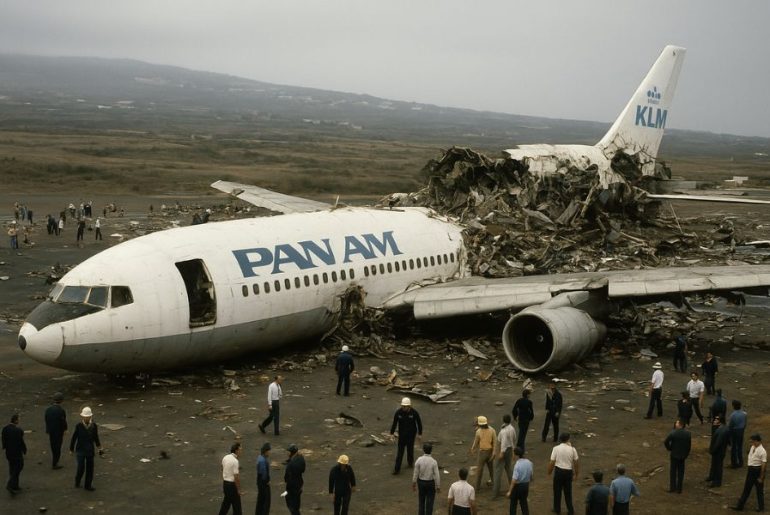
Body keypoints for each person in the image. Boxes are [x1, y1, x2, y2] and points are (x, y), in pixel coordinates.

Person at [730, 433, 766, 512]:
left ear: (757, 441)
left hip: (757, 470)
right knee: (747, 489)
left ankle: (761, 507)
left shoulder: (762, 451)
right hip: (751, 470)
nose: (751, 443)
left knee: (759, 490)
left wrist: (761, 477)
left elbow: (763, 465)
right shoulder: (753, 447)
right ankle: (740, 505)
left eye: (752, 441)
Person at [69, 406, 102, 491]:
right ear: (82, 417)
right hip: (80, 450)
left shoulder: (94, 426)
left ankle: (88, 485)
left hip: (90, 451)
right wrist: (71, 448)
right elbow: (74, 437)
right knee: (81, 467)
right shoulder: (79, 426)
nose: (86, 418)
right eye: (85, 417)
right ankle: (77, 481)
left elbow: (96, 437)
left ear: (91, 416)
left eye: (88, 417)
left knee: (90, 469)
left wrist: (100, 448)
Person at [548, 432, 579, 515]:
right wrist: (576, 474)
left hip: (559, 471)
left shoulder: (556, 448)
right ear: (568, 439)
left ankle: (557, 509)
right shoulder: (573, 449)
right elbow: (576, 463)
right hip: (568, 472)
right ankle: (570, 510)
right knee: (568, 492)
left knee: (557, 491)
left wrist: (549, 472)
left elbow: (552, 462)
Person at [390, 397, 423, 474]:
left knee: (410, 449)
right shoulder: (398, 413)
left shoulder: (414, 413)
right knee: (400, 453)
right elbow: (394, 423)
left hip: (411, 435)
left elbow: (419, 423)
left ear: (409, 406)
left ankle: (410, 462)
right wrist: (391, 433)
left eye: (405, 406)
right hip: (402, 435)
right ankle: (396, 469)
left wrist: (420, 434)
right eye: (403, 406)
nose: (404, 408)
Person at [664, 418, 691, 493]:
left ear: (680, 425)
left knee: (673, 471)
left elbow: (666, 441)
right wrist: (686, 454)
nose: (675, 424)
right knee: (681, 472)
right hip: (683, 456)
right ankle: (679, 489)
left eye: (677, 423)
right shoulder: (688, 434)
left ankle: (672, 488)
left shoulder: (673, 433)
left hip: (674, 455)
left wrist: (669, 448)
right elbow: (689, 446)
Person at [470, 415, 496, 492]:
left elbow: (476, 442)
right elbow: (495, 443)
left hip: (482, 453)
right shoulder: (492, 430)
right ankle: (493, 483)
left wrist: (473, 448)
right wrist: (494, 453)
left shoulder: (479, 431)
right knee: (491, 469)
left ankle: (477, 487)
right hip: (490, 452)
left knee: (479, 470)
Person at [413, 442, 440, 515]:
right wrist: (438, 486)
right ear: (431, 450)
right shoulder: (434, 462)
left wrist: (414, 483)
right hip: (430, 483)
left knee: (421, 501)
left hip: (421, 483)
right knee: (430, 503)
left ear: (423, 450)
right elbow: (437, 475)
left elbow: (416, 472)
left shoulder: (419, 460)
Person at [2, 413, 26, 495]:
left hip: (9, 452)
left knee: (12, 468)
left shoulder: (5, 429)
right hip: (17, 452)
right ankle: (10, 484)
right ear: (15, 420)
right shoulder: (18, 430)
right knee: (19, 466)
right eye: (18, 419)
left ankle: (15, 485)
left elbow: (4, 440)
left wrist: (4, 447)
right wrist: (24, 449)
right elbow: (21, 442)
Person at [493, 414, 517, 499]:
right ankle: (513, 488)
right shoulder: (512, 428)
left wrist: (501, 452)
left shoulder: (503, 431)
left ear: (503, 420)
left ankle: (495, 493)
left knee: (498, 471)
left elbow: (502, 442)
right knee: (509, 468)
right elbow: (514, 439)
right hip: (510, 450)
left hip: (504, 450)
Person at [506, 447, 533, 515]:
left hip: (518, 487)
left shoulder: (517, 465)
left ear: (516, 455)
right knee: (524, 503)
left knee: (513, 504)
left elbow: (514, 480)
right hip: (526, 485)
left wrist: (510, 491)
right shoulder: (529, 462)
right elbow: (531, 475)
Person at [44, 392, 68, 469]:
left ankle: (54, 460)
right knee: (58, 447)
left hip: (51, 431)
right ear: (61, 401)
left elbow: (46, 420)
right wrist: (65, 429)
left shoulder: (48, 410)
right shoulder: (61, 410)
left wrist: (48, 429)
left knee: (53, 445)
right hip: (58, 432)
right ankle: (55, 462)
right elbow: (63, 421)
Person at [219, 442, 242, 515]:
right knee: (237, 507)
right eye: (240, 450)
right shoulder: (235, 461)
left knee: (226, 504)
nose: (241, 451)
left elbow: (222, 468)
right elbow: (236, 477)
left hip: (225, 484)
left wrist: (225, 475)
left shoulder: (225, 457)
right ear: (236, 450)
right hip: (232, 486)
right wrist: (238, 489)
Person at [706, 415, 730, 487]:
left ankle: (717, 482)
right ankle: (712, 476)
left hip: (718, 452)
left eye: (716, 420)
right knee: (714, 465)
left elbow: (718, 443)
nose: (714, 421)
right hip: (719, 451)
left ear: (720, 422)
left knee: (718, 466)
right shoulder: (723, 428)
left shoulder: (721, 430)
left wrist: (713, 450)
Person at [284, 444, 306, 515]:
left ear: (292, 452)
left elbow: (288, 477)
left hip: (292, 487)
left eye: (289, 451)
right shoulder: (301, 459)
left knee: (291, 505)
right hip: (299, 484)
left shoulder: (291, 465)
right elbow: (303, 470)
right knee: (296, 504)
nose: (288, 453)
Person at [729, 400, 748, 468]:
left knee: (734, 447)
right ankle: (741, 462)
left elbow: (730, 425)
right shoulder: (744, 414)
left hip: (735, 431)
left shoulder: (733, 415)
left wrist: (729, 434)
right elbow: (745, 423)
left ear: (733, 406)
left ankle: (734, 463)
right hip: (741, 430)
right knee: (740, 446)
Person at [256, 442, 271, 515]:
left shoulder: (260, 457)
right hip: (263, 483)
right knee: (265, 502)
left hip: (260, 482)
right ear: (265, 451)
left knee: (260, 500)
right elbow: (264, 474)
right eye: (268, 451)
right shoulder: (262, 461)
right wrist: (267, 481)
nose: (269, 453)